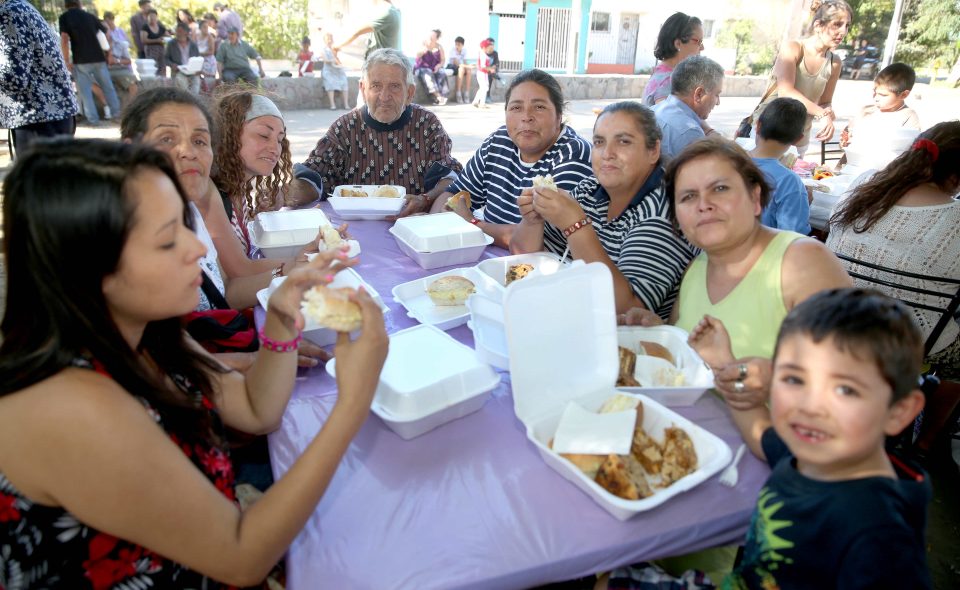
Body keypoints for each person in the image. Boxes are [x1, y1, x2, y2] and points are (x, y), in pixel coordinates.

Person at [0, 138, 388, 588]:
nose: (198, 250)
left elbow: (256, 410)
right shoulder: (73, 408)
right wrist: (354, 400)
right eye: (168, 241)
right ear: (89, 269)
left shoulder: (143, 336)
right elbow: (241, 557)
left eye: (186, 225)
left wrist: (281, 320)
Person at [618, 289, 930, 589]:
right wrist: (724, 365)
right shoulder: (809, 455)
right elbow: (760, 431)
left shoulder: (880, 538)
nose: (810, 407)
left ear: (899, 412)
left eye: (845, 390)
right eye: (794, 379)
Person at [623, 136, 851, 409]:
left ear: (755, 198)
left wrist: (772, 376)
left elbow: (853, 376)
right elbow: (690, 359)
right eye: (688, 196)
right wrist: (658, 333)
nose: (703, 204)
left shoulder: (801, 260)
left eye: (719, 188)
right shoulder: (697, 268)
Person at [120, 87, 330, 367]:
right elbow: (151, 357)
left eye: (199, 140)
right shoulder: (201, 196)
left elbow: (224, 291)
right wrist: (254, 357)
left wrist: (296, 265)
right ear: (229, 136)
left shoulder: (194, 207)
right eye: (168, 138)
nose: (188, 152)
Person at [511, 102, 696, 317]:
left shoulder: (662, 213)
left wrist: (576, 226)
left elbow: (628, 311)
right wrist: (533, 221)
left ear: (653, 151)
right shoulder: (590, 189)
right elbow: (522, 261)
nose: (607, 153)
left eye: (623, 141)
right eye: (599, 142)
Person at [828, 121, 960, 377]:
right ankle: (935, 408)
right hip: (915, 343)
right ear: (955, 176)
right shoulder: (955, 217)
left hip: (834, 321)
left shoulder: (864, 185)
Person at [424, 69, 593, 249]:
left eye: (539, 107)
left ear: (559, 116)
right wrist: (432, 230)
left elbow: (539, 242)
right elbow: (453, 194)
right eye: (516, 108)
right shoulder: (500, 141)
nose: (526, 117)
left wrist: (471, 224)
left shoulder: (574, 155)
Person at [294, 48, 462, 211]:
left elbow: (448, 177)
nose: (384, 96)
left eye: (395, 86)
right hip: (353, 231)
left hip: (412, 226)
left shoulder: (427, 124)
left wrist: (425, 199)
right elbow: (313, 175)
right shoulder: (345, 128)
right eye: (376, 86)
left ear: (410, 92)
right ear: (363, 89)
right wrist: (286, 193)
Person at [213, 90, 316, 258]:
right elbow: (235, 278)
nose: (275, 149)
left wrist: (255, 217)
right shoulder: (215, 198)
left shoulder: (237, 192)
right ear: (229, 135)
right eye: (263, 135)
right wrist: (301, 263)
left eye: (279, 139)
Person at [745, 0, 852, 156]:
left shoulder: (834, 62)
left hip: (799, 138)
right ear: (818, 25)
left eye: (847, 26)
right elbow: (786, 92)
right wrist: (821, 114)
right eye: (837, 24)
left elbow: (825, 102)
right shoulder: (793, 48)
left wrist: (828, 112)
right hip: (768, 133)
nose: (843, 32)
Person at [0, 0, 78, 154]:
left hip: (38, 119)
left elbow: (14, 77)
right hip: (47, 117)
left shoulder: (10, 13)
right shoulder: (18, 7)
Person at [749, 97, 811, 234]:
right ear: (798, 139)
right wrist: (802, 201)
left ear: (758, 126)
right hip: (762, 254)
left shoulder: (729, 161)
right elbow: (792, 238)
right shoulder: (790, 182)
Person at [59, 0, 121, 126]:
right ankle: (116, 114)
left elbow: (64, 38)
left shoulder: (64, 17)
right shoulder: (90, 16)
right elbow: (106, 32)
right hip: (98, 57)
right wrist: (108, 53)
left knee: (85, 91)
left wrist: (65, 60)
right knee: (108, 87)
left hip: (81, 59)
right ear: (80, 4)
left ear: (66, 5)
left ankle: (93, 120)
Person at [652, 55, 724, 160]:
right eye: (716, 94)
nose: (718, 102)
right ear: (699, 94)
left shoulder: (653, 110)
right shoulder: (690, 132)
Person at [839, 62, 921, 153]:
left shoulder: (909, 117)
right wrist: (845, 142)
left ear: (903, 95)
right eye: (874, 91)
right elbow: (847, 141)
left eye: (883, 95)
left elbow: (908, 153)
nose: (876, 97)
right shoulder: (866, 111)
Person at [642, 12, 704, 106]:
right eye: (697, 41)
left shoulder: (663, 73)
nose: (702, 47)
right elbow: (668, 119)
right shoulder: (669, 80)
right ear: (678, 43)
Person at [334, 0, 400, 59]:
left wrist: (337, 46)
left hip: (381, 63)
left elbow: (357, 32)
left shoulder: (387, 12)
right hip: (383, 61)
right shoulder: (394, 11)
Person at [103, 11, 139, 100]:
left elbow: (128, 59)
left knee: (132, 83)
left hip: (121, 69)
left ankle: (133, 106)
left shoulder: (120, 40)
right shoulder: (98, 44)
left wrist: (117, 61)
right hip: (105, 70)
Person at [414, 29, 448, 105]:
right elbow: (417, 55)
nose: (430, 37)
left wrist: (438, 66)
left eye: (433, 36)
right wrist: (424, 50)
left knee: (442, 72)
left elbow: (442, 60)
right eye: (430, 36)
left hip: (434, 67)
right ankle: (438, 96)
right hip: (422, 68)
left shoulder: (439, 47)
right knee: (427, 73)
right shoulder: (423, 44)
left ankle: (440, 96)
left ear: (436, 38)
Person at [165, 22, 201, 94]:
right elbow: (166, 59)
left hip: (192, 71)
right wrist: (172, 65)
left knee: (196, 82)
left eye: (180, 31)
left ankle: (194, 100)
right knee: (181, 82)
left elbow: (198, 59)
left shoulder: (193, 44)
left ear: (186, 32)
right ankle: (185, 99)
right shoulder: (171, 44)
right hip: (178, 70)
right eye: (177, 31)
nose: (177, 33)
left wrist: (198, 69)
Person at [320, 32, 348, 108]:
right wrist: (332, 60)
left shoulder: (335, 49)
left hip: (337, 70)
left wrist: (338, 61)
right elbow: (326, 60)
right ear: (325, 40)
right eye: (328, 39)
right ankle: (332, 104)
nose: (330, 40)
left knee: (344, 81)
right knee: (330, 83)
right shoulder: (323, 50)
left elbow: (339, 60)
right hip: (328, 70)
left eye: (331, 39)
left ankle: (346, 104)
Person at [139, 8, 168, 77]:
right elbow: (143, 40)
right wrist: (156, 40)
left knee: (163, 67)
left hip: (161, 49)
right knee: (153, 68)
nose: (152, 18)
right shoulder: (145, 27)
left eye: (154, 16)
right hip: (150, 50)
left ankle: (163, 83)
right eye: (150, 17)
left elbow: (166, 35)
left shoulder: (161, 27)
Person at [447, 35, 473, 103]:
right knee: (462, 69)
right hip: (452, 66)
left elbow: (465, 61)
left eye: (459, 44)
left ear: (462, 45)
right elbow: (456, 63)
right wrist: (467, 66)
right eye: (456, 44)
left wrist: (469, 66)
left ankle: (466, 93)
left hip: (462, 66)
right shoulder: (452, 50)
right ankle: (458, 93)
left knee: (469, 70)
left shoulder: (465, 50)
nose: (457, 46)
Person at [197, 13, 219, 92]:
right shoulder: (197, 36)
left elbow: (211, 51)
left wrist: (200, 53)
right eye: (204, 27)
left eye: (207, 27)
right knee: (200, 81)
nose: (206, 29)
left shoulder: (210, 37)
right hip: (199, 61)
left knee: (210, 81)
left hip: (208, 61)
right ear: (200, 28)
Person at [473, 38, 495, 108]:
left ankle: (475, 102)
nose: (489, 48)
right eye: (487, 47)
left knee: (482, 88)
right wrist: (490, 69)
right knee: (485, 88)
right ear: (484, 47)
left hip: (482, 73)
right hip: (483, 73)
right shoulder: (483, 55)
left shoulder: (482, 54)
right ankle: (482, 103)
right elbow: (483, 66)